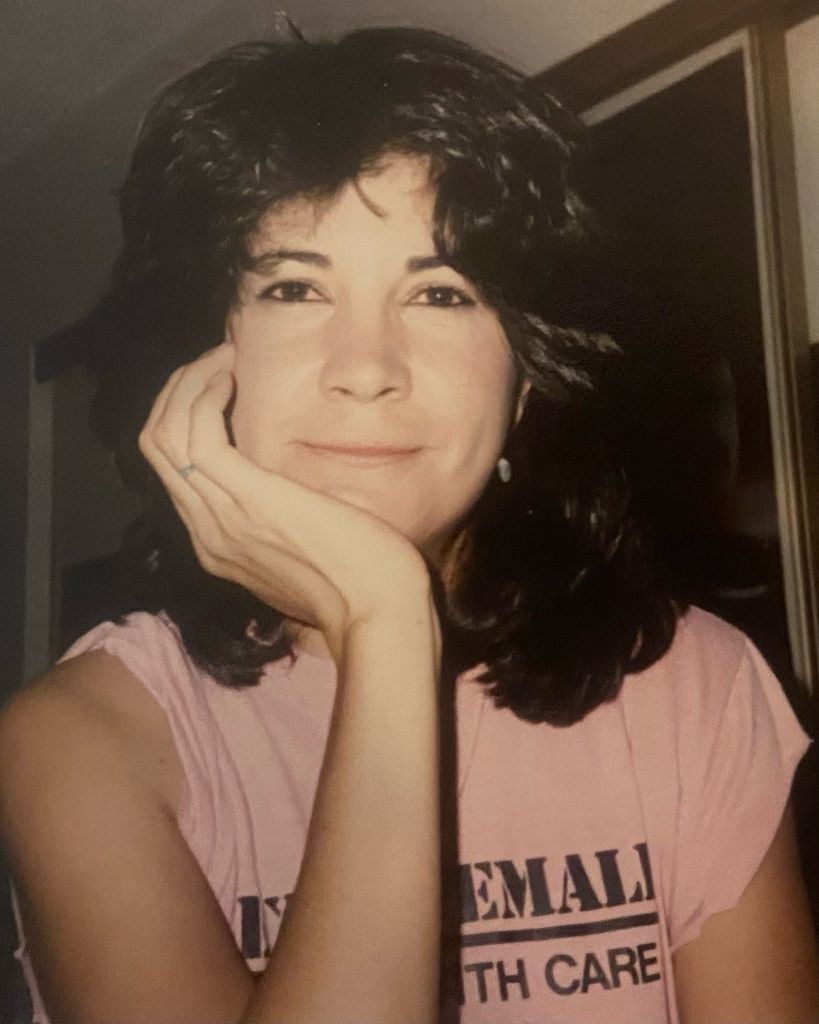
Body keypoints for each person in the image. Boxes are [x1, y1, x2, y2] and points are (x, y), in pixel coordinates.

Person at [1, 25, 817, 1024]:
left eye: (439, 293)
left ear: (526, 381)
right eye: (294, 287)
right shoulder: (85, 737)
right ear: (204, 359)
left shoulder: (693, 685)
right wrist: (384, 620)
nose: (366, 367)